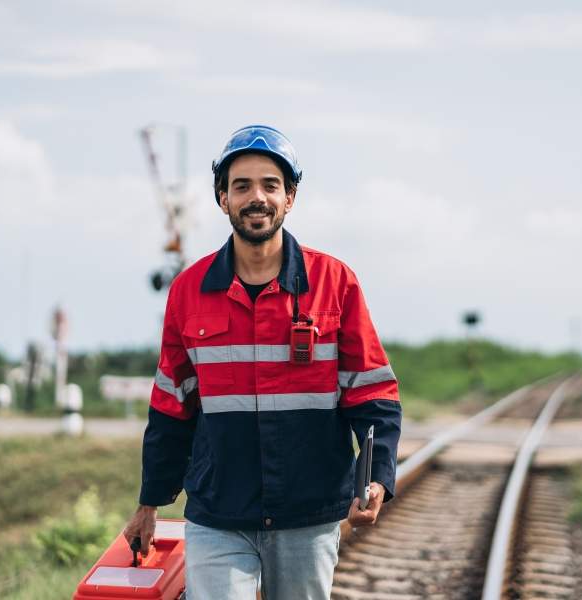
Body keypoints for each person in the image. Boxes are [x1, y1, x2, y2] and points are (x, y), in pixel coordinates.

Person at [122, 125, 402, 599]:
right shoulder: (189, 292)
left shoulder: (335, 283)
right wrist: (150, 503)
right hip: (219, 512)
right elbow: (171, 409)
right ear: (222, 199)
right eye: (242, 186)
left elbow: (372, 393)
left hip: (307, 514)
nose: (257, 197)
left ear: (290, 197)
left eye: (271, 185)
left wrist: (378, 478)